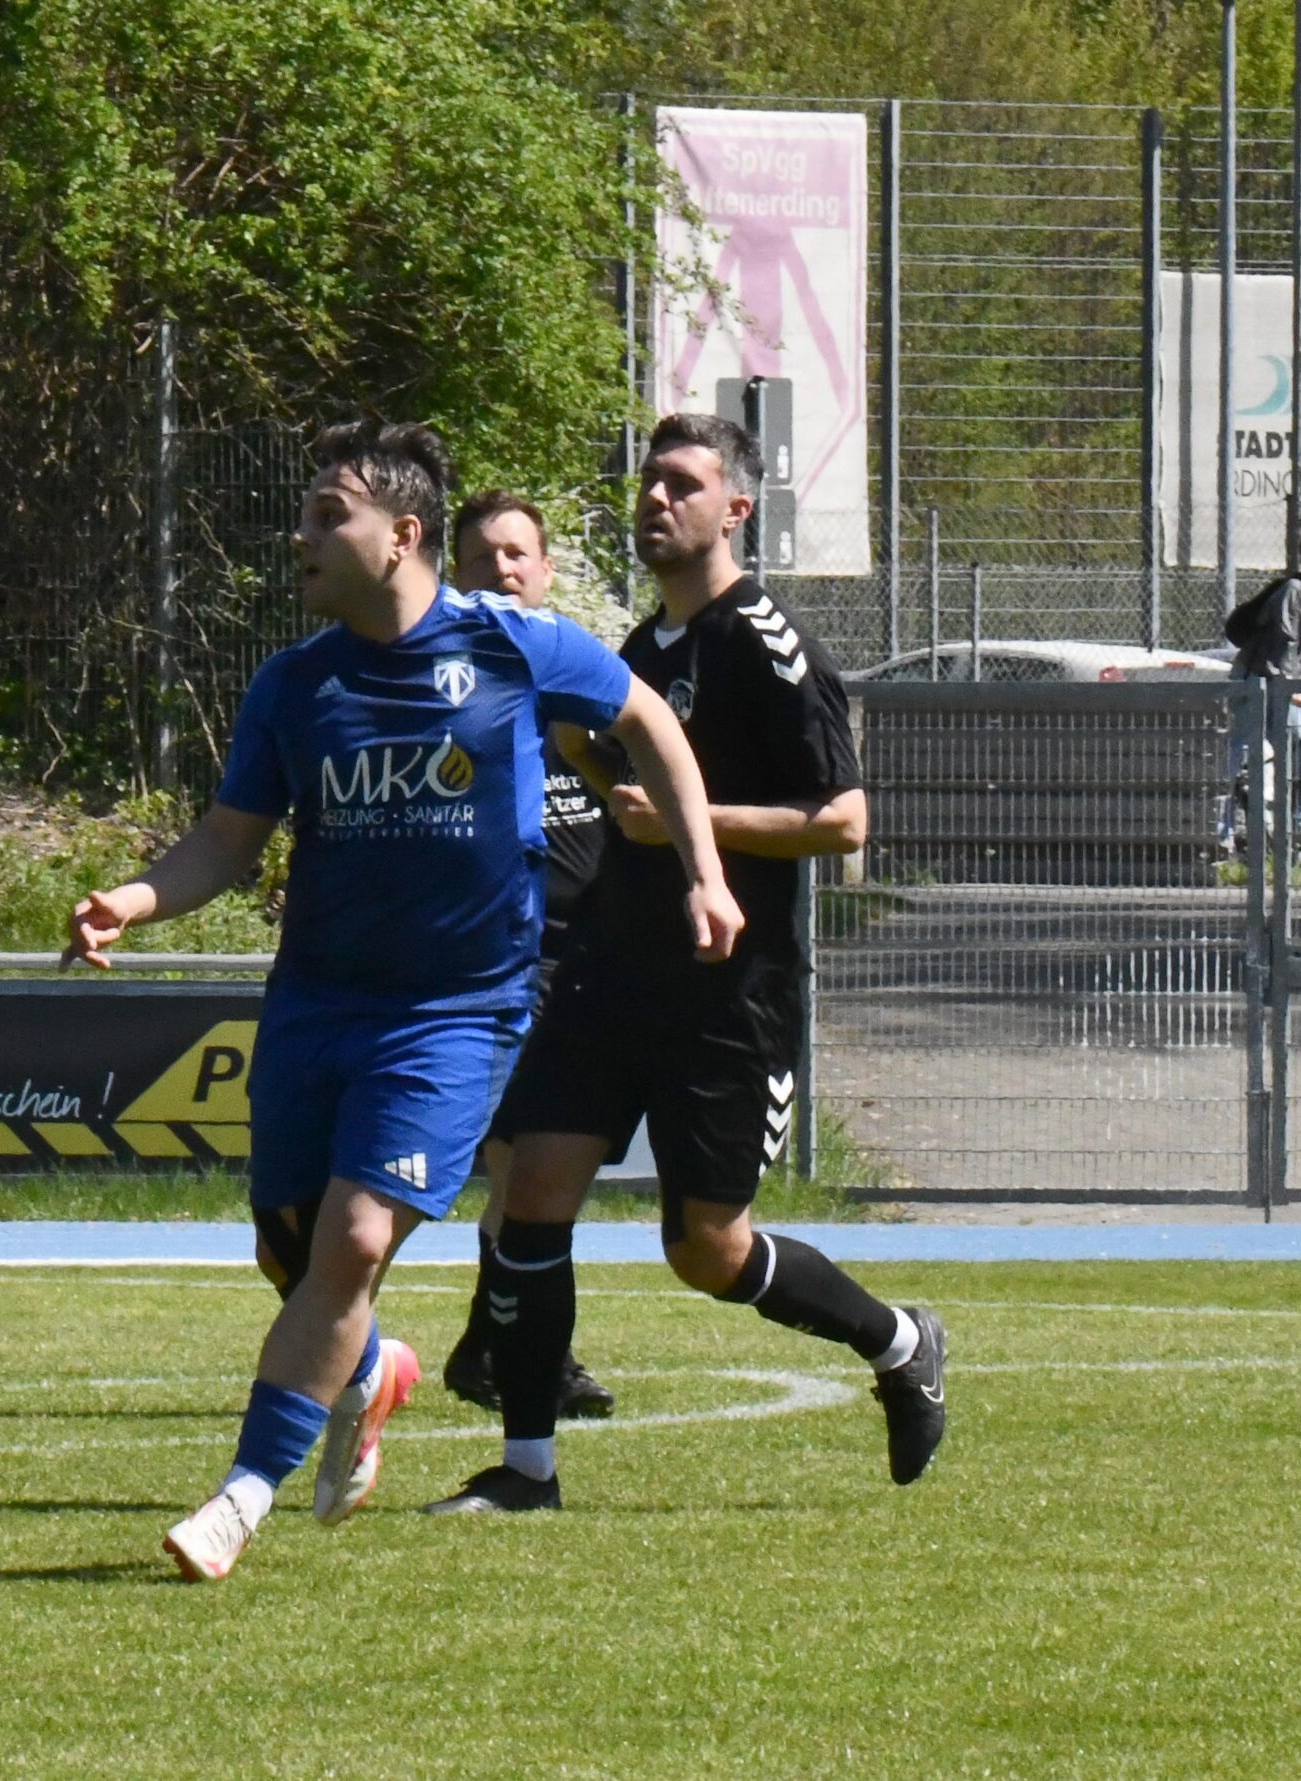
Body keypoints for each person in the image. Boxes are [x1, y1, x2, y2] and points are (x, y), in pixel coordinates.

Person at [65, 420, 739, 1582]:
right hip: (317, 1006)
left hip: (457, 1010)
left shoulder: (511, 641)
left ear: (402, 535)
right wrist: (131, 898)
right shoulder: (293, 685)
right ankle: (370, 1369)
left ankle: (238, 1497)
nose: (300, 536)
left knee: (356, 1237)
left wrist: (704, 870)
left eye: (328, 515)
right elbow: (226, 839)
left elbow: (650, 722)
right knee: (293, 1254)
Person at [425, 413, 947, 1519]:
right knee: (531, 1194)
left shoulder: (766, 642)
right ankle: (526, 1470)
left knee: (706, 1250)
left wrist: (689, 824)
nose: (655, 499)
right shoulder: (643, 648)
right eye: (648, 482)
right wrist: (582, 750)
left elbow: (844, 820)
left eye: (681, 483)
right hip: (611, 972)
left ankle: (899, 1340)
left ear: (735, 508)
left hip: (727, 993)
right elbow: (624, 779)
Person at [439, 490, 613, 1422]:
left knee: (532, 1178)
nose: (502, 569)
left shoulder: (592, 685)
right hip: (505, 966)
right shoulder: (448, 692)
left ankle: (487, 1343)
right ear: (453, 575)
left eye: (518, 554)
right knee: (526, 1172)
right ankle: (528, 1353)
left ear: (545, 571)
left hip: (592, 969)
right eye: (482, 556)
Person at [1224, 520, 1301, 844]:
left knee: (1299, 746)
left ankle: (1295, 817)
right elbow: (1283, 637)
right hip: (1254, 675)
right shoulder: (1293, 589)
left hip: (1282, 679)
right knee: (1243, 749)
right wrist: (1289, 686)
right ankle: (1225, 827)